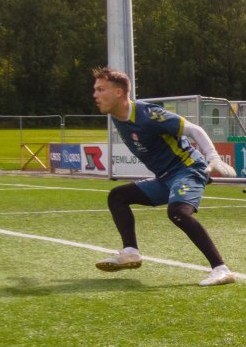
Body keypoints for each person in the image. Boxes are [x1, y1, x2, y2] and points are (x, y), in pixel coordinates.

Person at [91, 66, 237, 283]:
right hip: (165, 177)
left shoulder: (148, 114)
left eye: (101, 90)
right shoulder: (115, 116)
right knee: (117, 196)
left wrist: (212, 156)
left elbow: (193, 129)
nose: (95, 95)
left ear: (119, 92)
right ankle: (130, 251)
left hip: (188, 168)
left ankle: (221, 269)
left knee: (178, 212)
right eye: (95, 90)